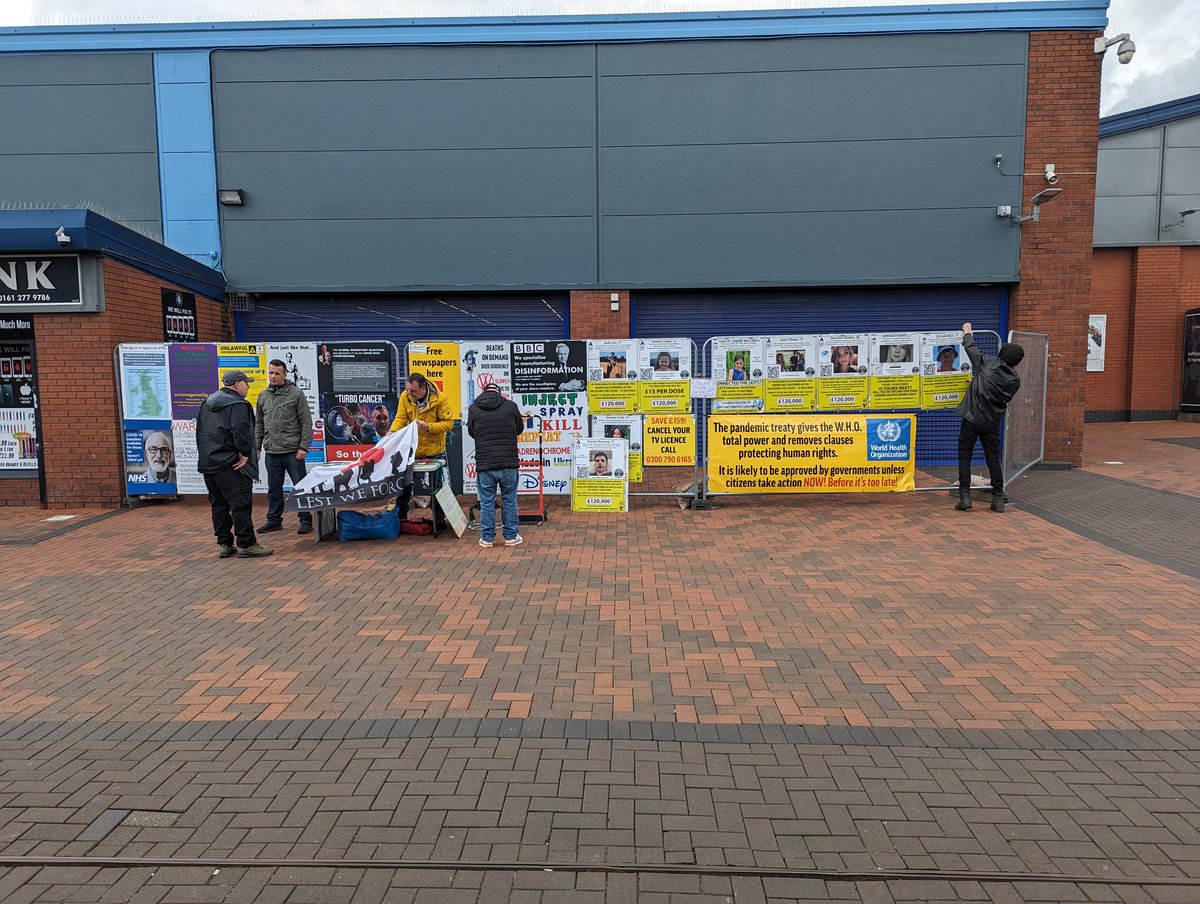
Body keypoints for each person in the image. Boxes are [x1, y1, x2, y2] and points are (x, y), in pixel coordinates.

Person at [196, 371, 271, 558]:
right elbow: (241, 431)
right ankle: (247, 544)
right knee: (240, 504)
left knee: (219, 505)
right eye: (247, 383)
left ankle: (224, 544)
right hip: (232, 463)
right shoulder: (238, 404)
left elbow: (200, 432)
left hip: (209, 462)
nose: (249, 386)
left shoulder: (207, 403)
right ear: (237, 384)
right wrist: (245, 454)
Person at [955, 322, 1024, 513]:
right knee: (993, 458)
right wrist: (977, 382)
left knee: (964, 456)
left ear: (1003, 353)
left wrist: (967, 331)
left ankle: (965, 496)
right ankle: (998, 497)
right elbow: (1000, 394)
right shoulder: (1015, 380)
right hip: (992, 423)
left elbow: (971, 349)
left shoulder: (988, 363)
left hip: (971, 418)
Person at [255, 359, 314, 536]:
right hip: (272, 451)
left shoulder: (296, 394)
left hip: (292, 451)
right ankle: (274, 520)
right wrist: (257, 447)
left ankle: (305, 520)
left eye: (277, 373)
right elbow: (259, 423)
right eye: (271, 373)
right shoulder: (263, 396)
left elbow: (306, 422)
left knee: (300, 487)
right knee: (274, 488)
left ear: (284, 375)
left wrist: (303, 446)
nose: (273, 376)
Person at [467, 382, 525, 548]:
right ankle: (511, 537)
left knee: (486, 502)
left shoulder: (474, 408)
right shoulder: (511, 406)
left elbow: (472, 432)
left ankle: (487, 539)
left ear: (484, 393)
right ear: (499, 393)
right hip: (508, 463)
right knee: (510, 500)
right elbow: (519, 429)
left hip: (485, 464)